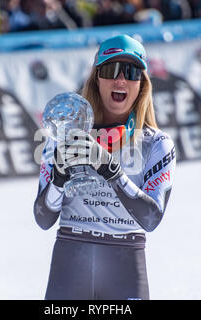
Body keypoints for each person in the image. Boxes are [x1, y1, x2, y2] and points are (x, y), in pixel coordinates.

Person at [33, 34, 176, 300]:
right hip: (70, 260)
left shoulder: (157, 143)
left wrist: (112, 171)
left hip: (125, 266)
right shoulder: (64, 137)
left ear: (142, 85)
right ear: (96, 78)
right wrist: (58, 180)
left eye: (131, 72)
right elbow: (43, 219)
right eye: (111, 70)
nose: (120, 80)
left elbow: (151, 219)